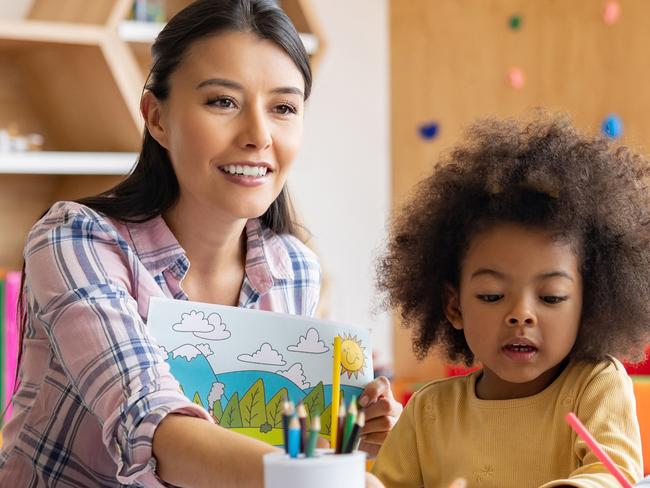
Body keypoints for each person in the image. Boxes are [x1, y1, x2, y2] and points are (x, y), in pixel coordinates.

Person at [0, 1, 401, 486]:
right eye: (223, 102)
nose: (258, 135)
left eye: (283, 108)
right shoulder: (75, 240)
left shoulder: (294, 268)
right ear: (157, 118)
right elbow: (150, 419)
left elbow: (259, 443)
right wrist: (327, 479)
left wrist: (334, 435)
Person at [372, 113, 648, 487]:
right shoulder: (427, 411)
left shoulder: (595, 385)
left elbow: (611, 476)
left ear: (589, 305)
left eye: (551, 297)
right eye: (492, 295)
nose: (521, 315)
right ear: (455, 307)